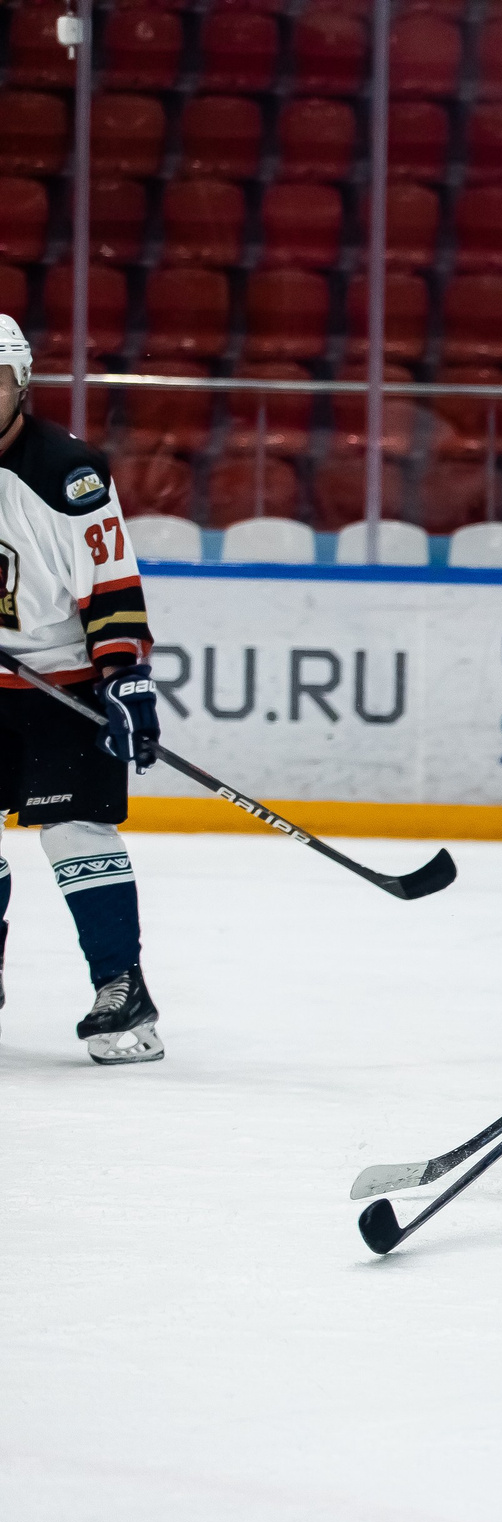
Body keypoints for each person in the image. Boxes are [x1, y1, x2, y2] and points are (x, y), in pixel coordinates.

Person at [0, 314, 166, 1064]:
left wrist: (126, 675)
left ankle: (121, 989)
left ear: (21, 384)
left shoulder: (67, 473)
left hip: (62, 679)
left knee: (74, 831)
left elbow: (111, 583)